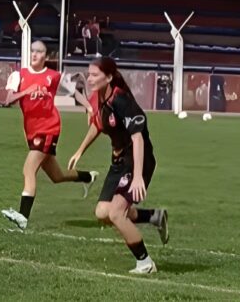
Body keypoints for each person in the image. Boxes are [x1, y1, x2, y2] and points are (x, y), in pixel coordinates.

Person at [69, 57, 168, 274]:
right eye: (89, 73)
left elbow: (138, 138)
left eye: (95, 75)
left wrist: (139, 176)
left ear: (109, 77)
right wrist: (79, 151)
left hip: (136, 159)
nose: (90, 78)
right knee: (102, 212)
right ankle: (153, 217)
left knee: (116, 213)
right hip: (118, 162)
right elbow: (97, 124)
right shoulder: (97, 97)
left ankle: (145, 263)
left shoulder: (121, 100)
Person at [1, 41, 99, 230]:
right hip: (31, 130)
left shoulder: (53, 76)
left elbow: (74, 92)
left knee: (28, 170)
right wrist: (26, 91)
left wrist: (88, 107)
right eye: (33, 51)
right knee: (57, 175)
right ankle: (87, 177)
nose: (35, 54)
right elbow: (8, 100)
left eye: (39, 52)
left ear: (46, 56)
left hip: (49, 128)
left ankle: (23, 217)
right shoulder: (18, 75)